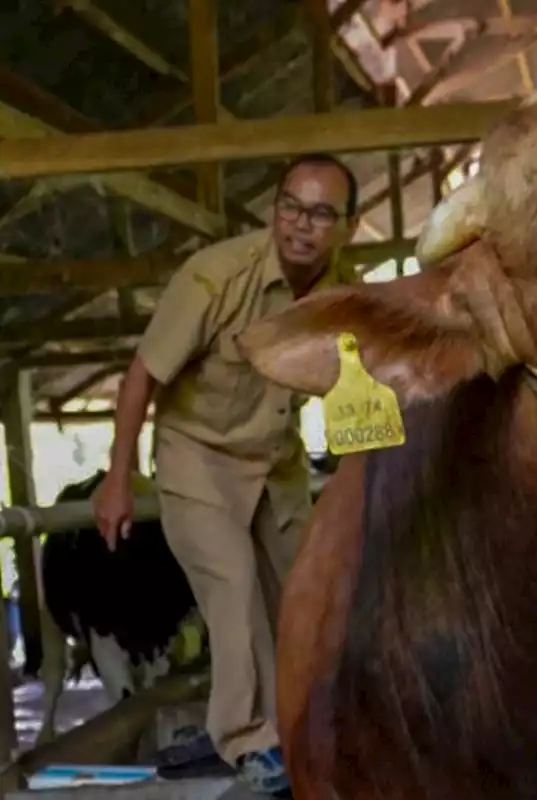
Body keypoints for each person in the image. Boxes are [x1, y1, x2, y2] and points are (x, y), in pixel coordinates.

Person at [92, 153, 360, 795]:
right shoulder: (215, 277)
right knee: (233, 586)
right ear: (274, 208)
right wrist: (118, 475)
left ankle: (304, 727)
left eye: (321, 213)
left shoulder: (346, 294)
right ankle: (248, 742)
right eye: (290, 206)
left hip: (276, 461)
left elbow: (359, 392)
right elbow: (143, 374)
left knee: (302, 595)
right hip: (198, 456)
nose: (301, 225)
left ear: (350, 224)